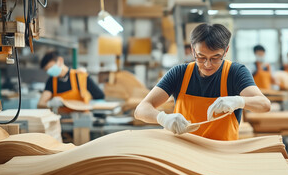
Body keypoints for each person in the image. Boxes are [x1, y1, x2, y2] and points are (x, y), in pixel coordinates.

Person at [135, 23, 271, 141]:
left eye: (215, 57)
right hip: (183, 153)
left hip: (222, 154)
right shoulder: (180, 73)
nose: (207, 64)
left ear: (226, 51)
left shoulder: (235, 72)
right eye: (201, 57)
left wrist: (238, 101)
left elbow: (264, 104)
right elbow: (141, 110)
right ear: (193, 51)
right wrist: (163, 118)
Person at [37, 51, 105, 111]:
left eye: (50, 67)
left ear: (60, 61)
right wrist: (49, 104)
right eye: (47, 70)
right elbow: (40, 104)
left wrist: (89, 103)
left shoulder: (80, 76)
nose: (49, 71)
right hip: (62, 120)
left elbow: (100, 96)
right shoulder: (51, 81)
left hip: (82, 119)